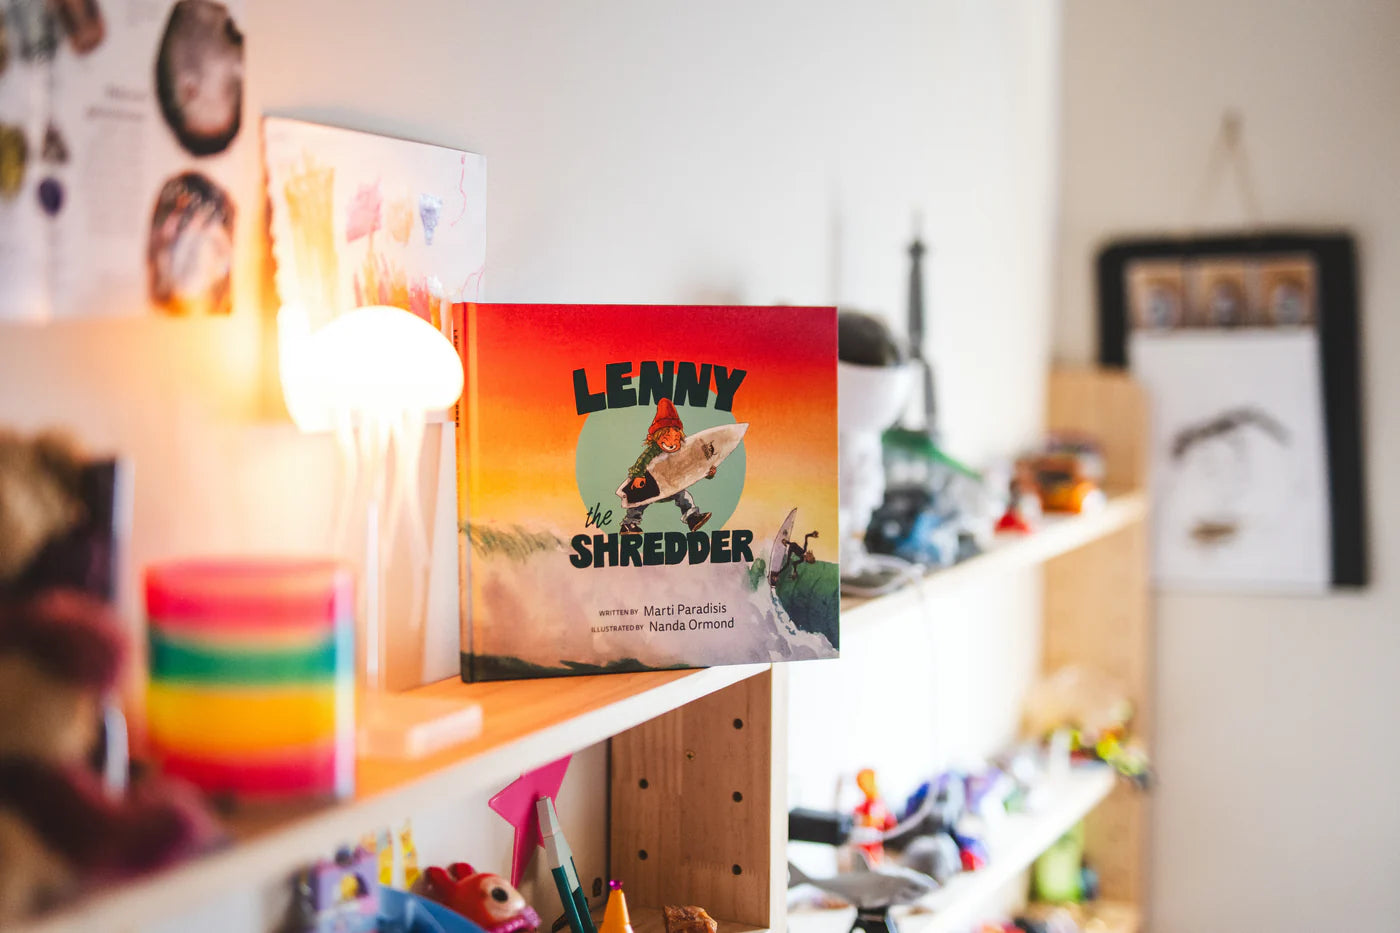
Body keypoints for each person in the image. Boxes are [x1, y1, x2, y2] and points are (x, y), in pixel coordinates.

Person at [619, 399, 714, 535]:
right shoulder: (653, 451)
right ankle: (629, 524)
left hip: (669, 486)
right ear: (655, 437)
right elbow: (641, 462)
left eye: (676, 439)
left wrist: (708, 473)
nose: (672, 443)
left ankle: (692, 519)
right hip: (650, 485)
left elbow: (693, 466)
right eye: (667, 438)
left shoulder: (680, 453)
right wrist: (638, 476)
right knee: (640, 502)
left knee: (684, 496)